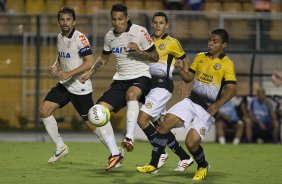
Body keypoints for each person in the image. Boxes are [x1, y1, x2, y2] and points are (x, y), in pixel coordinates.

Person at [137, 29, 237, 181]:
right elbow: (189, 77)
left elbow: (232, 89)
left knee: (191, 142)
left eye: (215, 41)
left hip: (207, 109)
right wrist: (180, 69)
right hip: (191, 101)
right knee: (164, 123)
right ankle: (153, 163)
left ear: (224, 45)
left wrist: (218, 104)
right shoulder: (200, 57)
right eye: (209, 40)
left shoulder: (227, 64)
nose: (210, 43)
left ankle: (202, 165)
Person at [80, 4, 159, 170]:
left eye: (120, 19)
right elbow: (103, 59)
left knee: (132, 94)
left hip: (141, 77)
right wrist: (89, 74)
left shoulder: (140, 31)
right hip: (120, 80)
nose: (117, 23)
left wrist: (140, 51)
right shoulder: (109, 36)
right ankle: (115, 153)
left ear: (127, 18)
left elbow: (155, 56)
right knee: (97, 111)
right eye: (114, 19)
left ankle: (129, 137)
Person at [137, 12, 193, 171]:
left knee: (142, 119)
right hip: (150, 87)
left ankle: (159, 153)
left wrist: (184, 81)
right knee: (162, 126)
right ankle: (185, 157)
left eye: (161, 23)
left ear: (166, 25)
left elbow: (185, 60)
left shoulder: (172, 42)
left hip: (162, 86)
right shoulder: (147, 40)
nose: (157, 25)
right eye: (155, 22)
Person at [39, 7, 95, 164]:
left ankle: (114, 151)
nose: (65, 22)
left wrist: (68, 74)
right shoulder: (59, 37)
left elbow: (89, 63)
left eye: (68, 19)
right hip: (65, 85)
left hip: (80, 86)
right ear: (59, 22)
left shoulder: (80, 38)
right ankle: (60, 146)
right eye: (62, 19)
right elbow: (62, 55)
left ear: (74, 21)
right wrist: (56, 66)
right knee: (44, 111)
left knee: (92, 123)